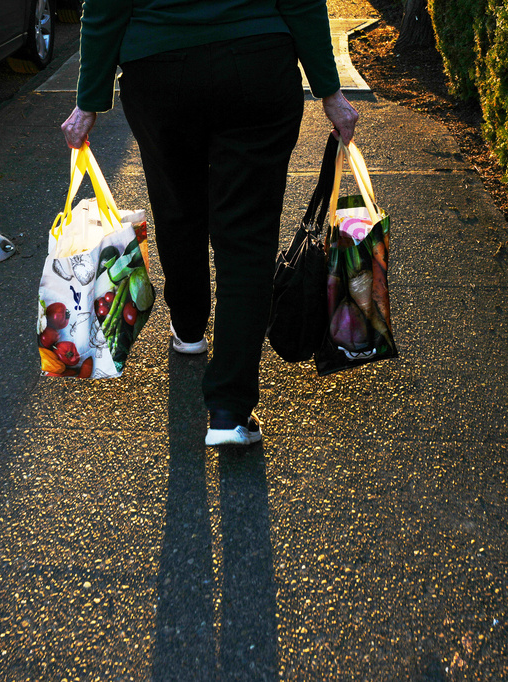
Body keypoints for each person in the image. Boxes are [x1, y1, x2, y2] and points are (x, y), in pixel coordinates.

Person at [62, 0, 358, 447]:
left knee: (177, 205)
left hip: (158, 68)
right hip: (258, 61)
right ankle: (229, 410)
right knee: (247, 236)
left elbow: (105, 4)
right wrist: (329, 91)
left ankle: (189, 326)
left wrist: (89, 102)